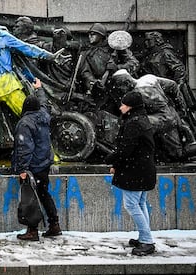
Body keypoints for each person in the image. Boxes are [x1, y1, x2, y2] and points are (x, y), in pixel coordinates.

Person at [0, 11, 63, 167]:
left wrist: (51, 56)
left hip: (9, 84)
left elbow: (27, 48)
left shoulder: (2, 36)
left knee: (33, 119)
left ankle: (49, 153)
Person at [105, 91, 156, 256]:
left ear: (131, 106)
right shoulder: (142, 119)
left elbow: (126, 150)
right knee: (140, 203)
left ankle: (147, 241)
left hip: (135, 171)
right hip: (143, 168)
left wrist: (111, 160)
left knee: (131, 205)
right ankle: (144, 237)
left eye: (123, 104)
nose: (120, 107)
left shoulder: (133, 123)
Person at [12, 78, 62, 241]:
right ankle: (54, 225)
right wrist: (39, 89)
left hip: (32, 167)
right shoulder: (44, 115)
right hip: (44, 163)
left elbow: (25, 148)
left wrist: (22, 170)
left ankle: (32, 231)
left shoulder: (25, 123)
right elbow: (44, 103)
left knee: (30, 198)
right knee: (44, 194)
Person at [111, 69, 186, 162]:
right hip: (170, 115)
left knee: (137, 124)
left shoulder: (137, 94)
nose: (121, 89)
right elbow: (173, 85)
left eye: (120, 86)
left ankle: (139, 155)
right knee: (176, 154)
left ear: (127, 82)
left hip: (164, 120)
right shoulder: (149, 78)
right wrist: (181, 108)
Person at [78, 23, 139, 100]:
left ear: (101, 36)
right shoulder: (87, 52)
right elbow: (85, 72)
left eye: (93, 34)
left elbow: (134, 63)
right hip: (100, 87)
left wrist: (118, 68)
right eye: (89, 34)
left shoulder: (115, 47)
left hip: (118, 85)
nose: (90, 36)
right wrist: (94, 83)